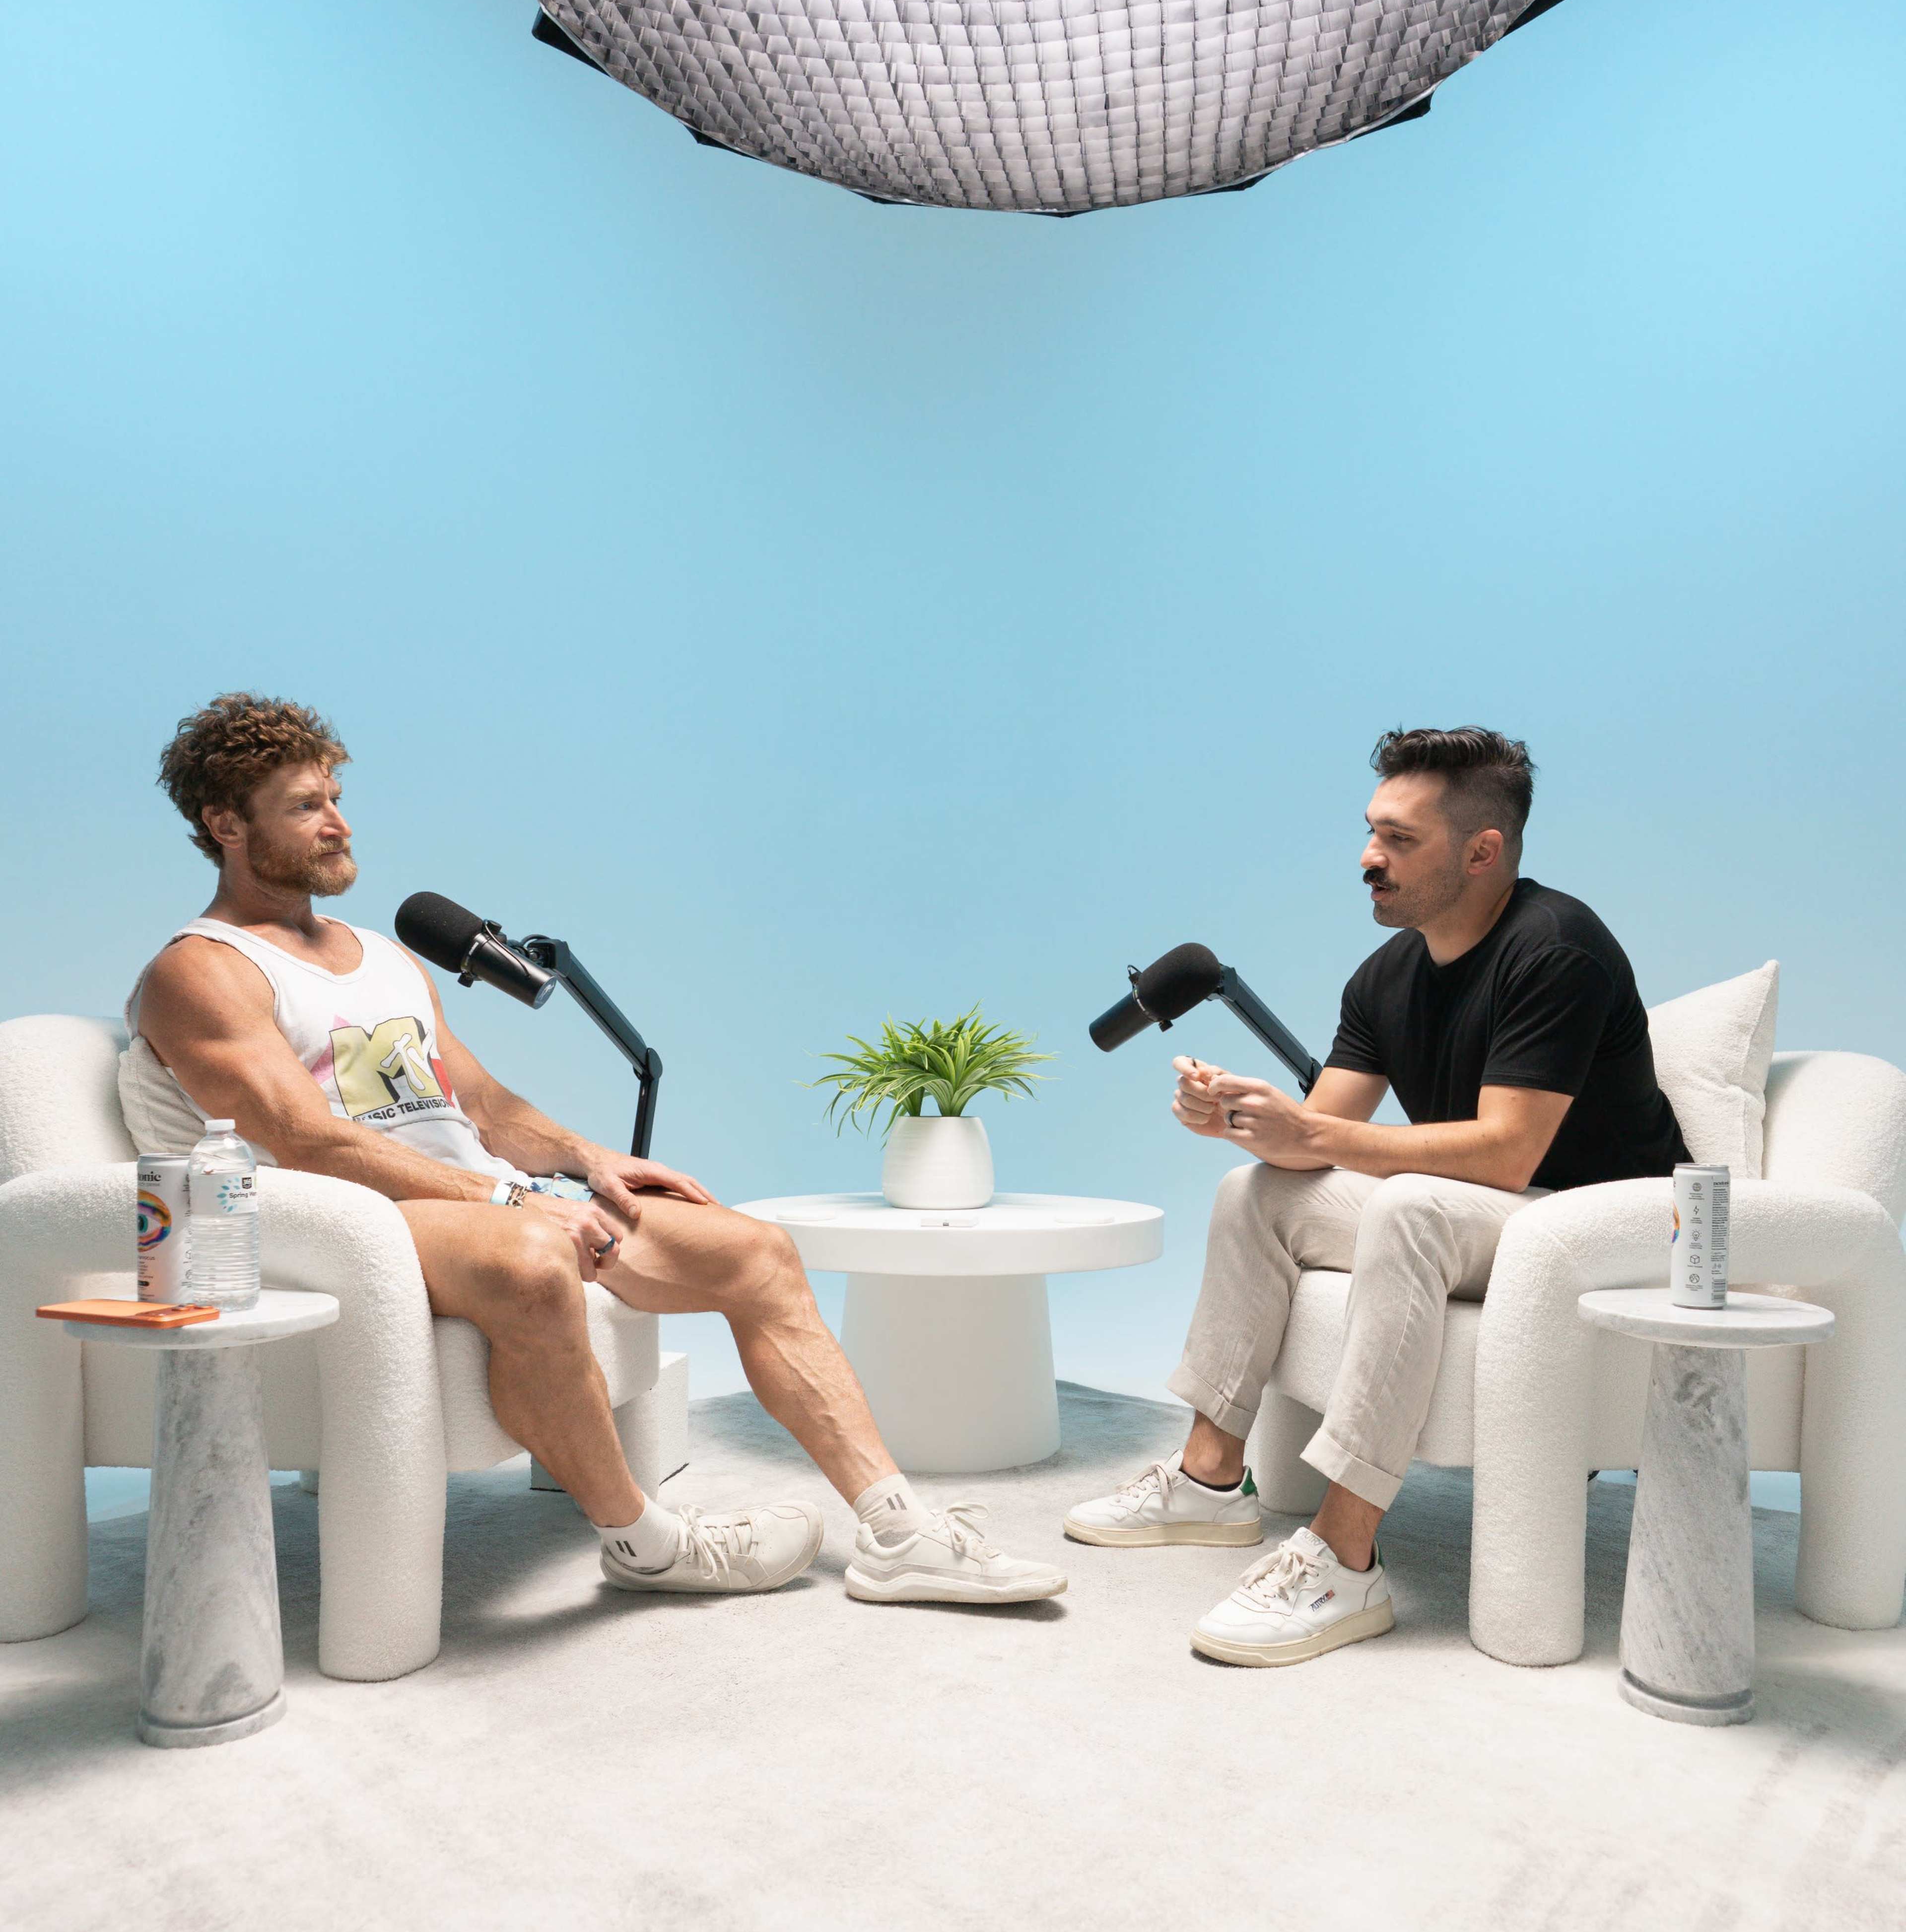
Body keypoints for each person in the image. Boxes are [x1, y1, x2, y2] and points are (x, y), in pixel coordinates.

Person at [126, 694, 1064, 1611]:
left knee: (758, 1253)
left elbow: (483, 1104)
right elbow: (308, 1141)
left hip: (474, 1204)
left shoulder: (380, 955)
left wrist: (586, 1160)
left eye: (336, 798)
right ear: (226, 824)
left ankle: (898, 1533)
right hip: (350, 1224)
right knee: (537, 1259)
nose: (338, 823)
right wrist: (509, 1204)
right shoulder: (199, 970)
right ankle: (648, 1548)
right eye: (306, 806)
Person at [1065, 726, 1687, 1668]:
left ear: (1483, 852)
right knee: (1257, 1192)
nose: (1368, 857)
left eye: (1399, 839)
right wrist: (1238, 1117)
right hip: (1498, 1217)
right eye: (1370, 831)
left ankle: (1345, 1558)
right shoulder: (1386, 976)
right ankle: (1209, 1479)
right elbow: (1316, 1140)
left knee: (1408, 1207)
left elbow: (1511, 1151)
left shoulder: (1558, 949)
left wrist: (1311, 1135)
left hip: (1612, 1222)